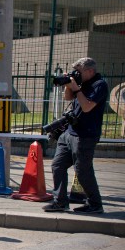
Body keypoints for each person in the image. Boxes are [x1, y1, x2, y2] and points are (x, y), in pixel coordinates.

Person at [43, 57, 108, 214]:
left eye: (78, 71)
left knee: (82, 171)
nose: (76, 74)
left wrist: (77, 89)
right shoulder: (81, 83)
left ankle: (95, 204)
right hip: (69, 132)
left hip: (85, 135)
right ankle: (60, 202)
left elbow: (86, 107)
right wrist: (69, 85)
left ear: (90, 71)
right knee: (57, 165)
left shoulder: (99, 85)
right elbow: (68, 97)